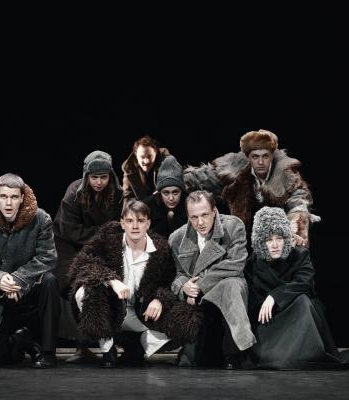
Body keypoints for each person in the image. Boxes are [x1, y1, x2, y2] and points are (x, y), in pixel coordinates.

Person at [68, 199, 200, 367]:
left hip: (141, 313)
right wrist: (111, 280)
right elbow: (83, 264)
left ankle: (136, 346)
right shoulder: (108, 240)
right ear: (122, 223)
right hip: (112, 309)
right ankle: (107, 349)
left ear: (148, 224)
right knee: (84, 292)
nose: (135, 226)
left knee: (186, 319)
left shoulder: (160, 249)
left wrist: (159, 299)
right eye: (130, 221)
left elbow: (168, 281)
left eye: (140, 221)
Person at [244, 207, 349, 369]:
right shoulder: (252, 265)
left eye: (279, 238)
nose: (275, 245)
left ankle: (307, 353)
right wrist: (268, 304)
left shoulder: (299, 255)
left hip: (301, 313)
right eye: (269, 240)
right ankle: (278, 353)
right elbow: (253, 300)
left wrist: (275, 296)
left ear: (286, 238)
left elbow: (304, 282)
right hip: (272, 320)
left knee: (302, 301)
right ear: (260, 242)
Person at [0, 173, 60, 368]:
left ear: (22, 198)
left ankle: (48, 351)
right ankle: (24, 341)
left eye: (14, 197)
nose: (8, 203)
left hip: (31, 292)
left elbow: (47, 257)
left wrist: (18, 280)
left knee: (50, 281)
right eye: (4, 196)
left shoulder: (40, 219)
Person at [183, 129, 319, 248]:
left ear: (272, 156)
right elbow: (198, 179)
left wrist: (295, 232)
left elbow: (299, 203)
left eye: (265, 156)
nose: (260, 162)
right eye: (255, 157)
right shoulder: (234, 172)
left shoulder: (286, 174)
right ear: (248, 157)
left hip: (275, 239)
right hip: (244, 237)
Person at [169, 190, 255, 369]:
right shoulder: (177, 239)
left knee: (230, 285)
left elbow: (235, 264)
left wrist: (199, 285)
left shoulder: (232, 226)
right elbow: (178, 274)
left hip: (229, 289)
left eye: (204, 215)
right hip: (197, 298)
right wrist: (184, 287)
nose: (200, 222)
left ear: (214, 211)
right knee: (193, 361)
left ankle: (239, 351)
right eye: (194, 217)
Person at [52, 150, 123, 363]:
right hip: (68, 245)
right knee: (72, 284)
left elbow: (117, 225)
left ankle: (110, 343)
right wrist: (102, 234)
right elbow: (69, 229)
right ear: (86, 176)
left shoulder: (117, 194)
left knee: (106, 283)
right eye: (94, 177)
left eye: (103, 177)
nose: (99, 182)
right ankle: (81, 345)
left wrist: (105, 238)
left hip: (101, 245)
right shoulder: (74, 192)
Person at [143, 155, 188, 238]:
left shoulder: (191, 205)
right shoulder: (145, 207)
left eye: (175, 192)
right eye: (166, 193)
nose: (171, 198)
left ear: (181, 191)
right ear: (159, 193)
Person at [121, 135, 170, 207]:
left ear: (156, 153)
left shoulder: (167, 161)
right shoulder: (129, 168)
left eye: (150, 156)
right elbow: (127, 197)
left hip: (163, 206)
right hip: (142, 210)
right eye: (142, 157)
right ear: (136, 155)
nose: (146, 161)